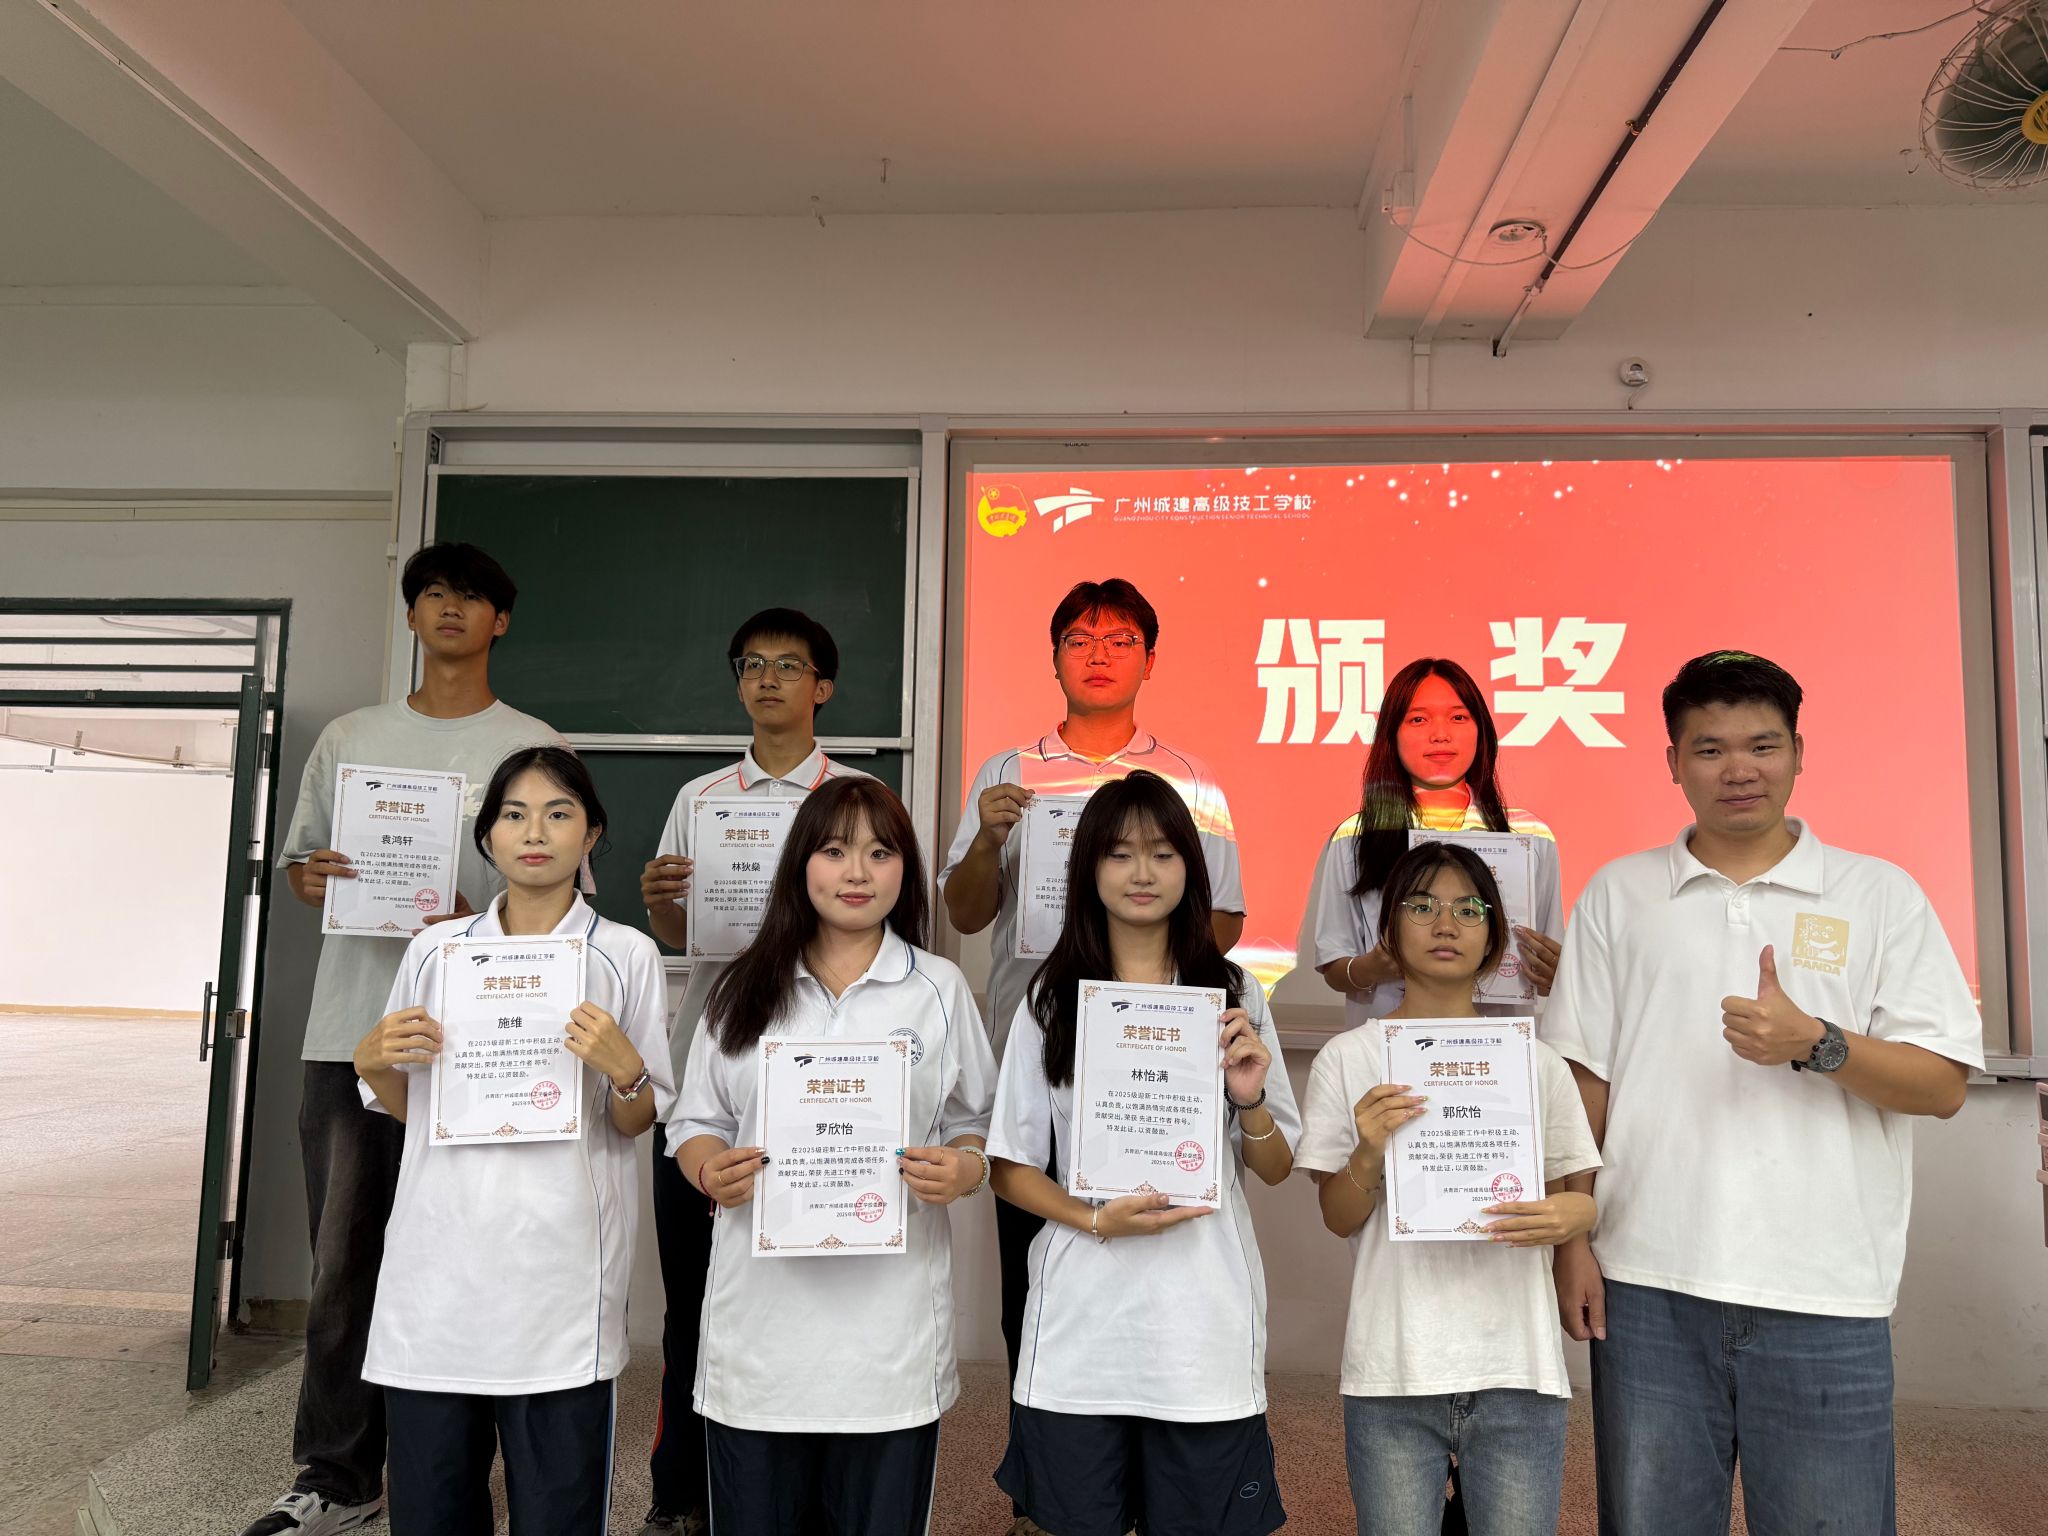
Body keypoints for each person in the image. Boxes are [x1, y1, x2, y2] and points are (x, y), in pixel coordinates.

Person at [1542, 650, 1983, 1536]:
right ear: (1673, 762)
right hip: (1647, 1279)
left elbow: (1941, 1085)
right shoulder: (1620, 894)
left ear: (1798, 754)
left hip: (1826, 1287)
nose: (1738, 769)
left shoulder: (1878, 894)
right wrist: (1571, 1240)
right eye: (1709, 749)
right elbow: (1583, 1080)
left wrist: (1817, 1044)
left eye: (1762, 745)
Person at [246, 543, 560, 1536]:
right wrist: (313, 878)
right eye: (431, 595)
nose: (449, 608)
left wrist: (480, 916)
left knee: (472, 1258)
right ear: (413, 617)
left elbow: (556, 896)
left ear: (500, 620)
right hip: (354, 1035)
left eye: (470, 597)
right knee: (342, 1265)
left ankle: (452, 1472)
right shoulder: (352, 736)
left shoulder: (530, 744)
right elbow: (304, 867)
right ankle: (339, 1476)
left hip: (486, 1047)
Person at [940, 577, 1246, 1425]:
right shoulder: (1008, 773)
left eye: (1119, 641)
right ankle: (1043, 1453)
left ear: (1150, 659)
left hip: (1159, 1070)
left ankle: (1152, 1444)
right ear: (1054, 659)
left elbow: (1224, 918)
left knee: (1162, 1277)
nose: (1099, 654)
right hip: (1043, 1055)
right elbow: (964, 913)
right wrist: (990, 840)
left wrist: (1135, 971)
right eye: (1079, 639)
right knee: (1033, 1272)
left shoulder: (1191, 779)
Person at [354, 746, 672, 1533]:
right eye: (514, 814)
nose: (535, 832)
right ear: (487, 836)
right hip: (436, 1276)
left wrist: (626, 1070)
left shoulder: (624, 953)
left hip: (559, 1277)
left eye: (559, 814)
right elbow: (412, 1109)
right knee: (431, 1510)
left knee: (557, 1513)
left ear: (590, 834)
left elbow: (637, 1119)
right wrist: (373, 1063)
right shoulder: (435, 951)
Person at [669, 776, 995, 1536]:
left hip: (889, 1338)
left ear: (906, 869)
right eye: (835, 850)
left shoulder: (938, 989)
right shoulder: (743, 986)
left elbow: (977, 1122)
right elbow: (695, 1122)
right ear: (800, 863)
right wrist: (710, 1168)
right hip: (761, 1335)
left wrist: (965, 1168)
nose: (857, 872)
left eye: (880, 853)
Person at [988, 770, 1295, 1536]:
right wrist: (1094, 1219)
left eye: (1162, 853)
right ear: (1089, 868)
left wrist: (1250, 1097)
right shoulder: (1052, 998)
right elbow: (1010, 1166)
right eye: (1120, 854)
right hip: (1082, 1316)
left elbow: (1276, 1164)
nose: (1142, 872)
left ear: (1190, 867)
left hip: (1201, 1316)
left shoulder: (1233, 993)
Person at [634, 607, 867, 1536]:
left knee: (814, 1294)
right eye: (752, 664)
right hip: (714, 1074)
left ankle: (801, 1492)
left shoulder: (856, 798)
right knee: (693, 1298)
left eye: (789, 665)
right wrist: (662, 905)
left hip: (822, 1077)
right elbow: (683, 938)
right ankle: (681, 1493)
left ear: (824, 687)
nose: (768, 678)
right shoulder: (700, 798)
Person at [1295, 842, 1600, 1536]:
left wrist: (1569, 1215)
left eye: (1469, 910)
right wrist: (1370, 1151)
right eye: (1422, 906)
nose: (1445, 924)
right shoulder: (1350, 1057)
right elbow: (1337, 1216)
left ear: (1494, 939)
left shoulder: (1535, 1060)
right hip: (1393, 1368)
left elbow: (1579, 1195)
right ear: (1389, 930)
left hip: (1517, 1366)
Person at [1308, 658, 1563, 1032]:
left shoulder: (1527, 835)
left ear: (1481, 730)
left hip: (1494, 1050)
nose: (1440, 734)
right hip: (1389, 1047)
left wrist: (1557, 974)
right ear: (1391, 733)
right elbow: (1335, 966)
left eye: (1458, 717)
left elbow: (1547, 965)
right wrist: (1375, 965)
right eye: (1418, 719)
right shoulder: (1357, 835)